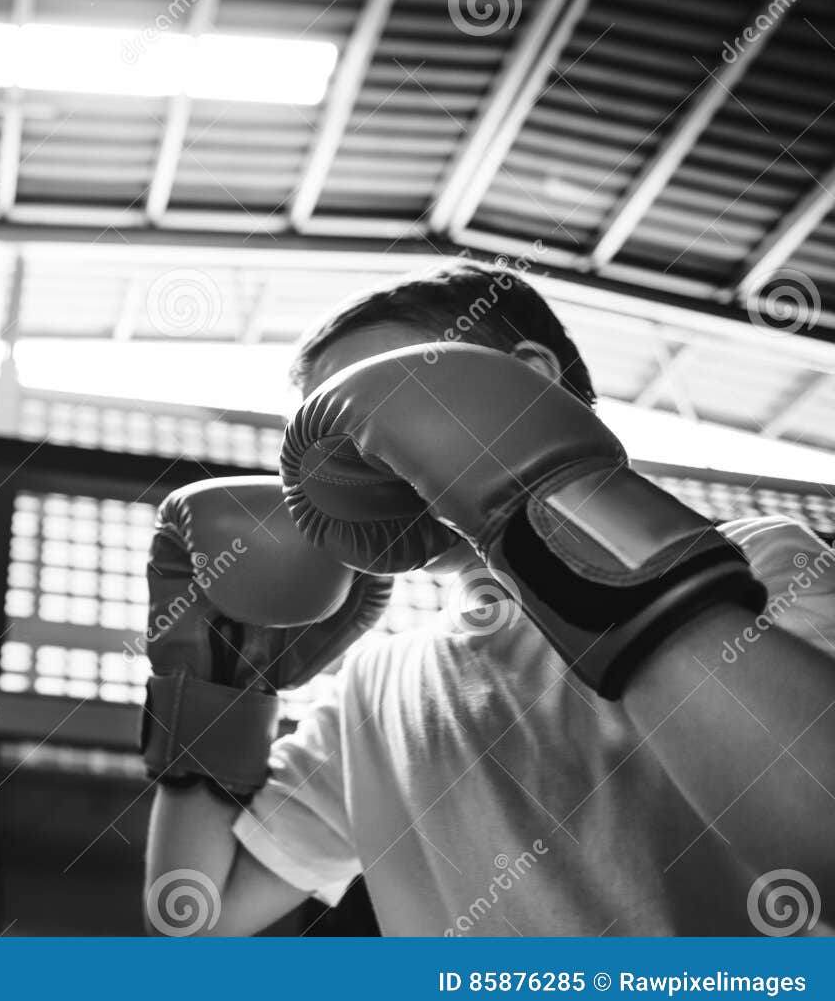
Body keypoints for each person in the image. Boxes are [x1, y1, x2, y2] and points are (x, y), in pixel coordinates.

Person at [142, 262, 835, 936]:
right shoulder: (375, 689)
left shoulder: (754, 562)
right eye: (323, 439)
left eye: (385, 394)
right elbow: (199, 918)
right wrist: (216, 682)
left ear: (528, 378)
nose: (356, 454)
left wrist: (565, 523)